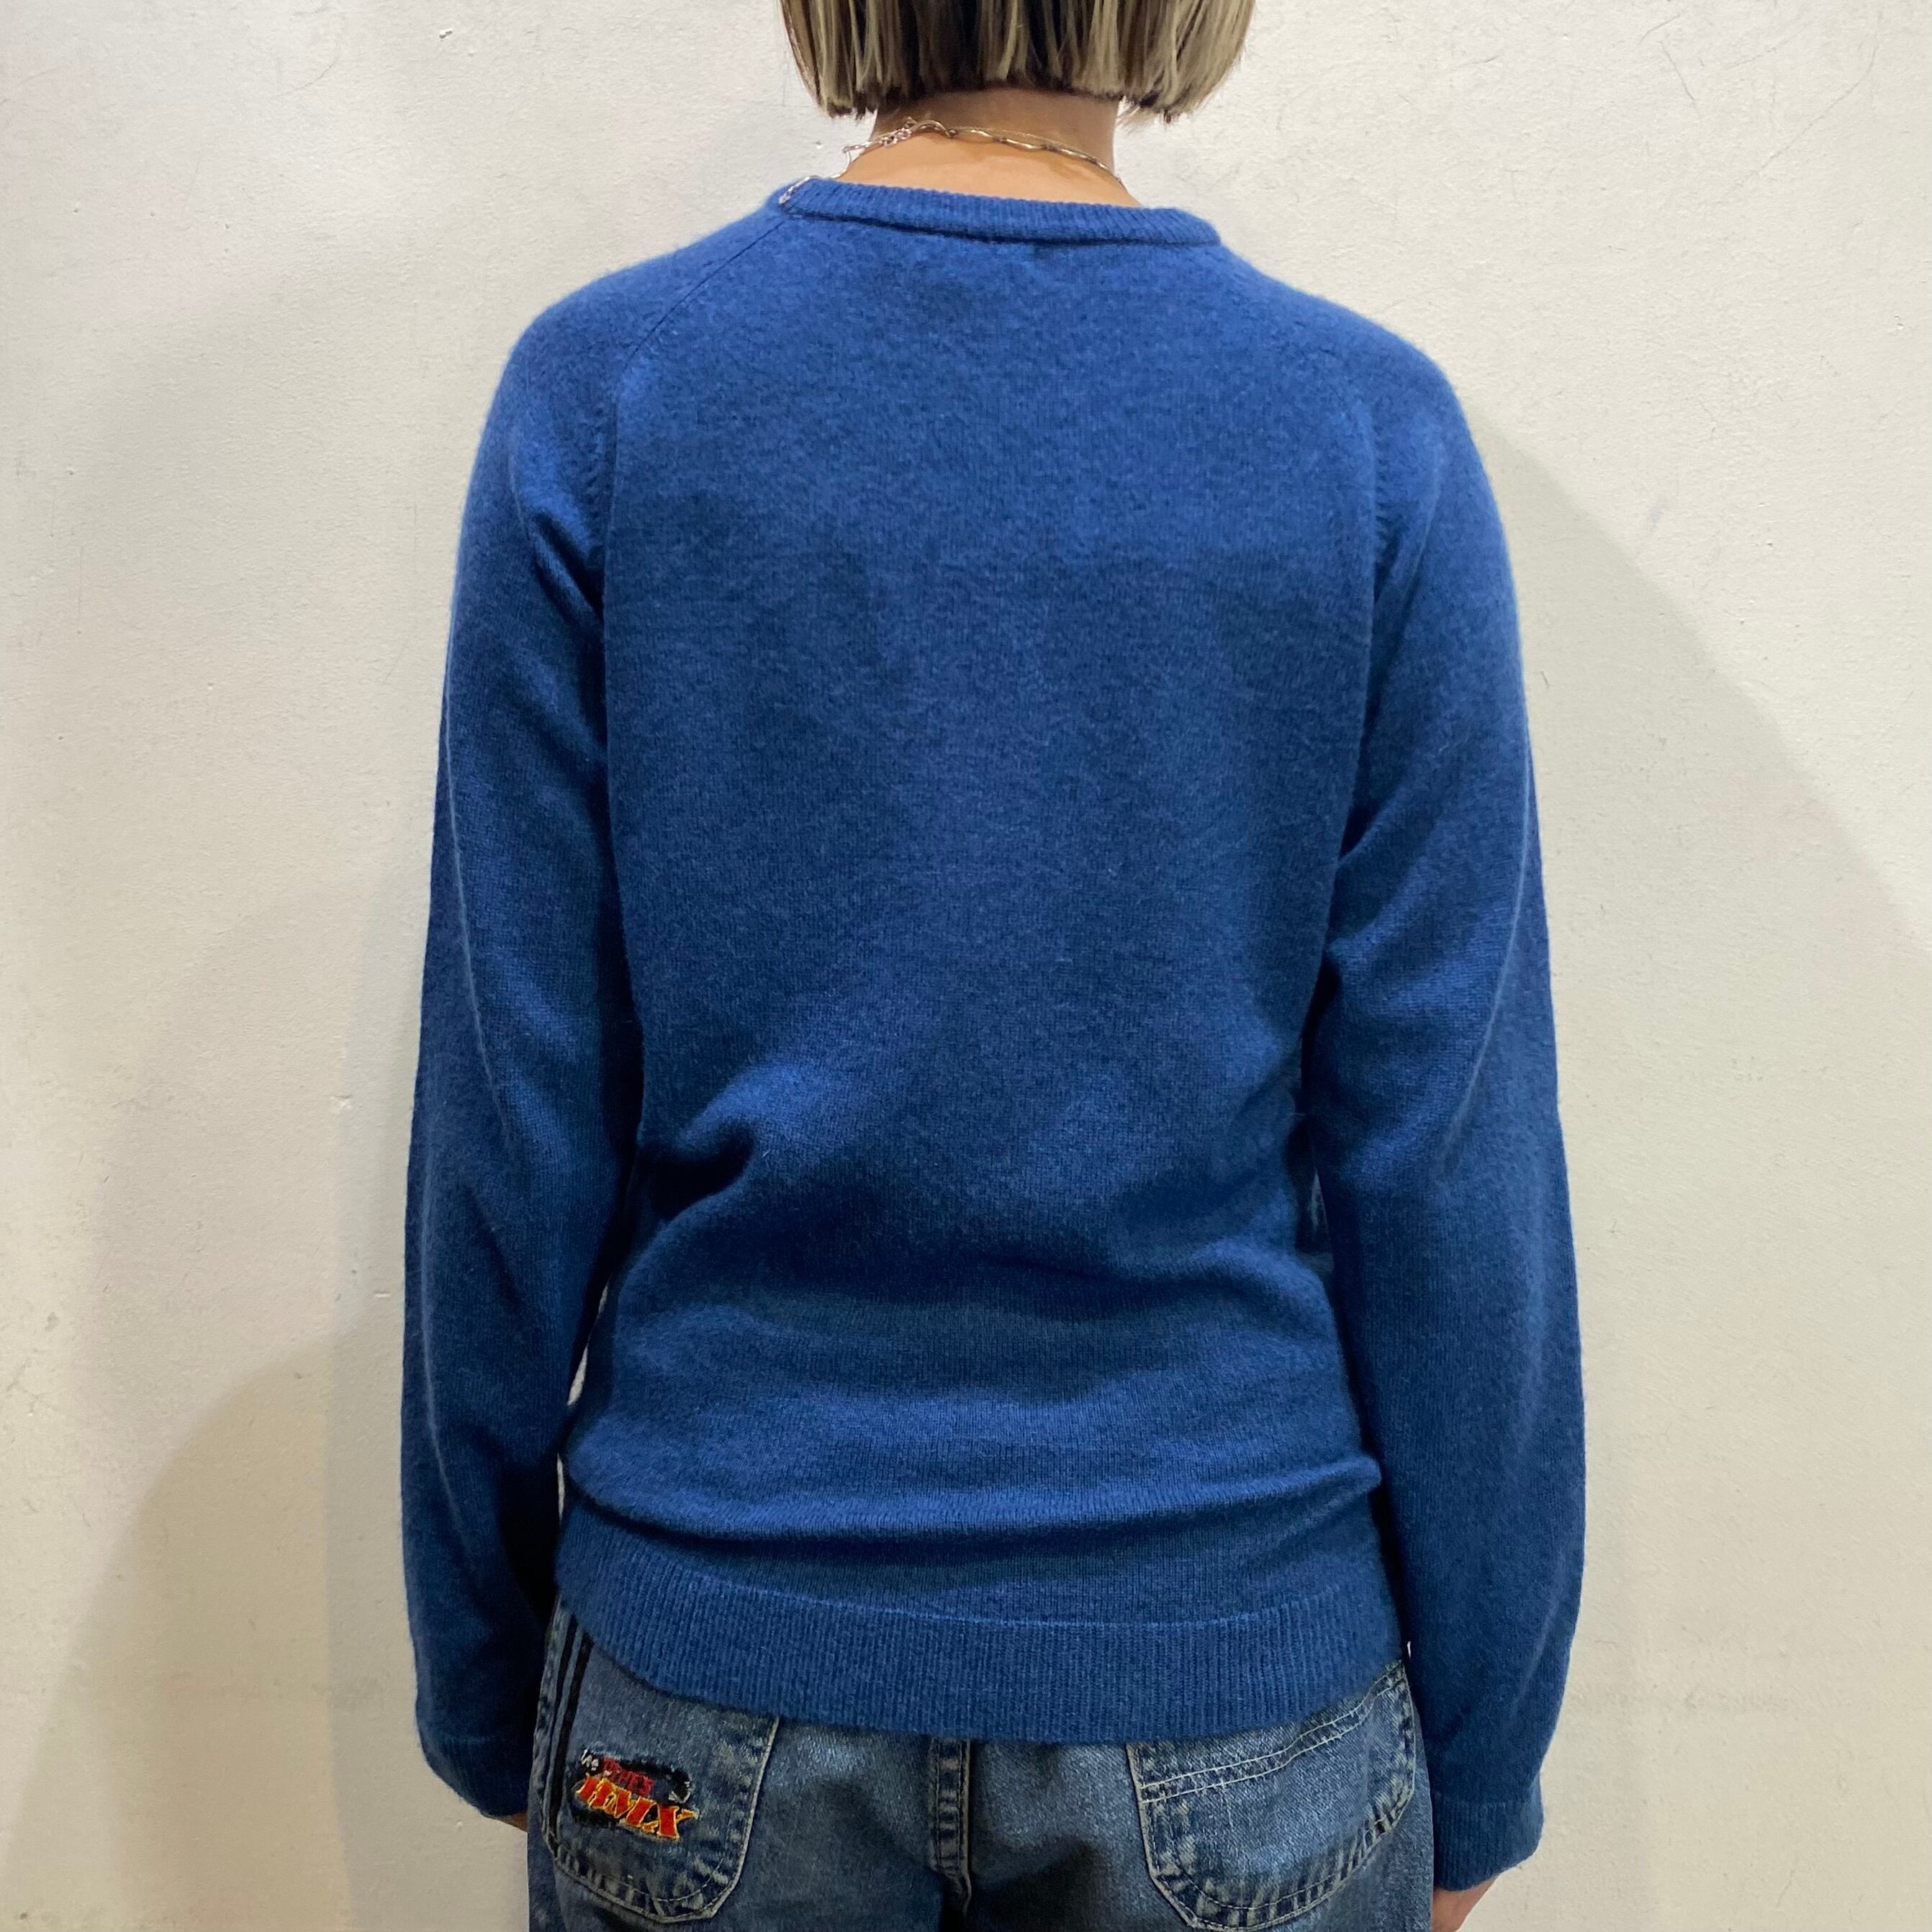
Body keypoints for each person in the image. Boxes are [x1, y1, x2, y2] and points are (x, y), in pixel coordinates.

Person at [398, 4, 1587, 1928]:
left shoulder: (613, 392)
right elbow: (1450, 1168)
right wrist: (1480, 1757)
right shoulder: (1363, 435)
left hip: (708, 1663)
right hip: (1232, 1683)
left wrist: (482, 1668)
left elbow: (511, 1106)